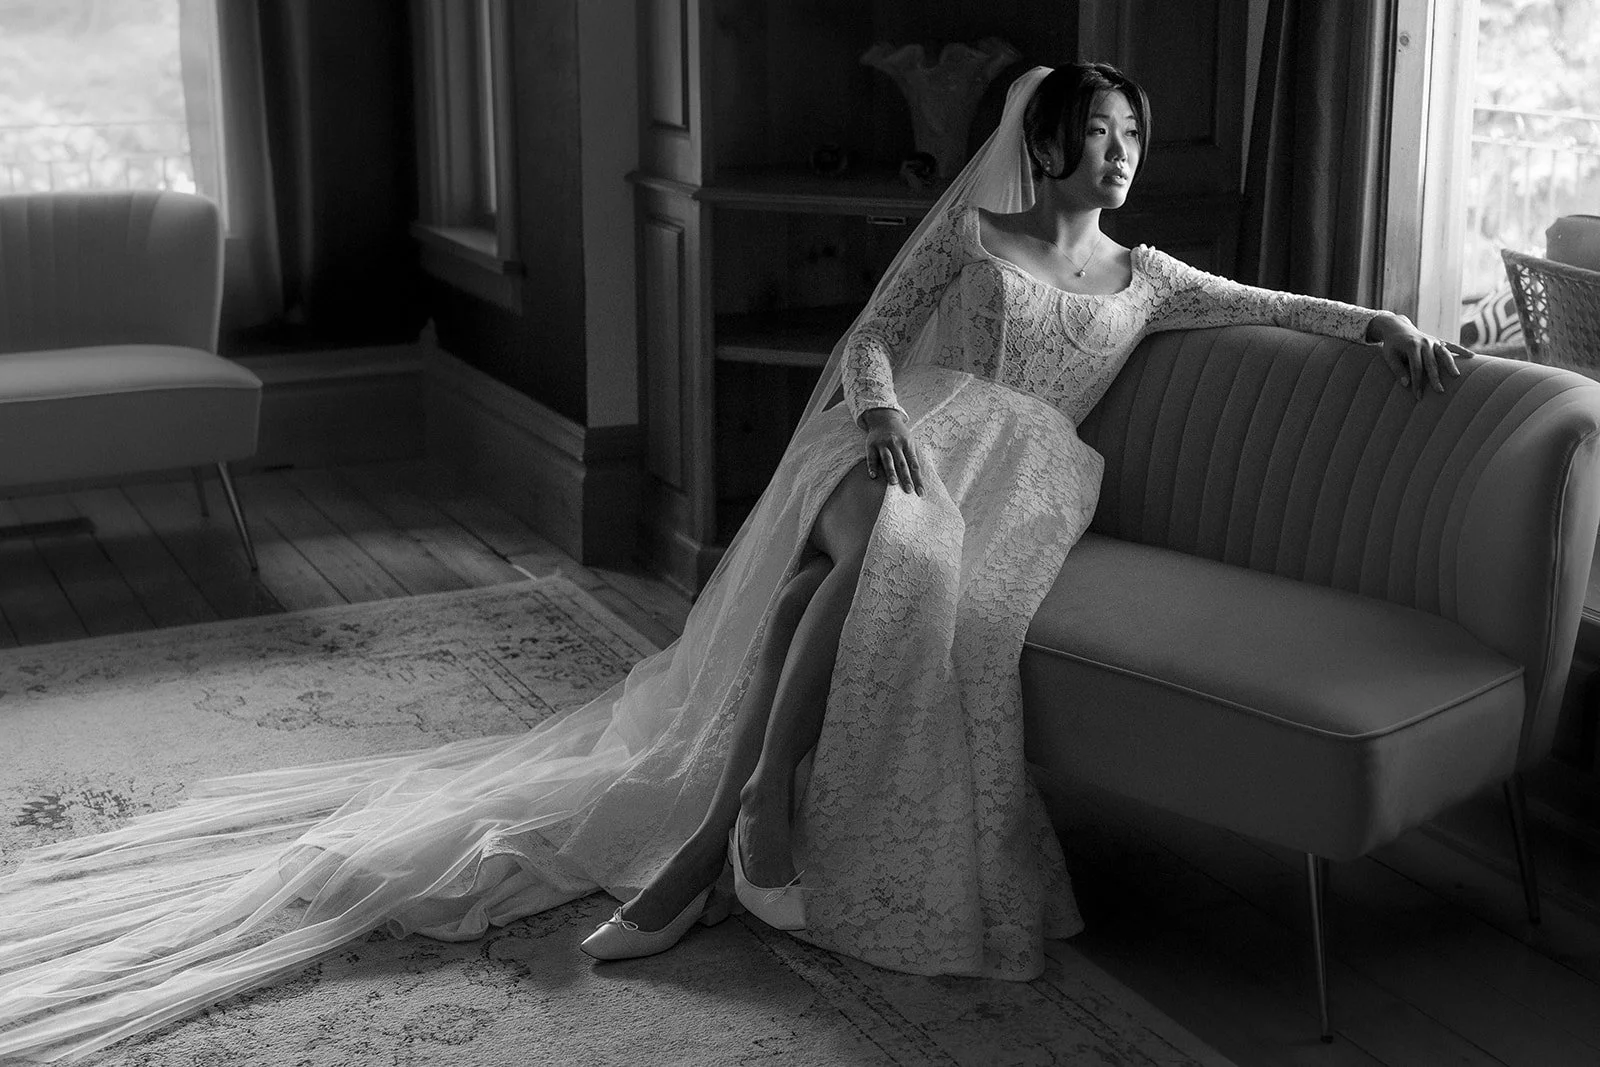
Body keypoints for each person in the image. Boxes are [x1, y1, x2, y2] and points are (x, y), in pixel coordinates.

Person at [0, 62, 1472, 1062]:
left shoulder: (1149, 278)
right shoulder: (981, 236)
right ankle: (752, 813)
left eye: (1138, 142)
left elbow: (1289, 301)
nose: (1124, 156)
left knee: (864, 588)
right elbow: (879, 338)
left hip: (1028, 483)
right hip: (912, 437)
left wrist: (1390, 323)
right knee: (886, 543)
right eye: (1103, 135)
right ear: (1048, 141)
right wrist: (886, 418)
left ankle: (722, 836)